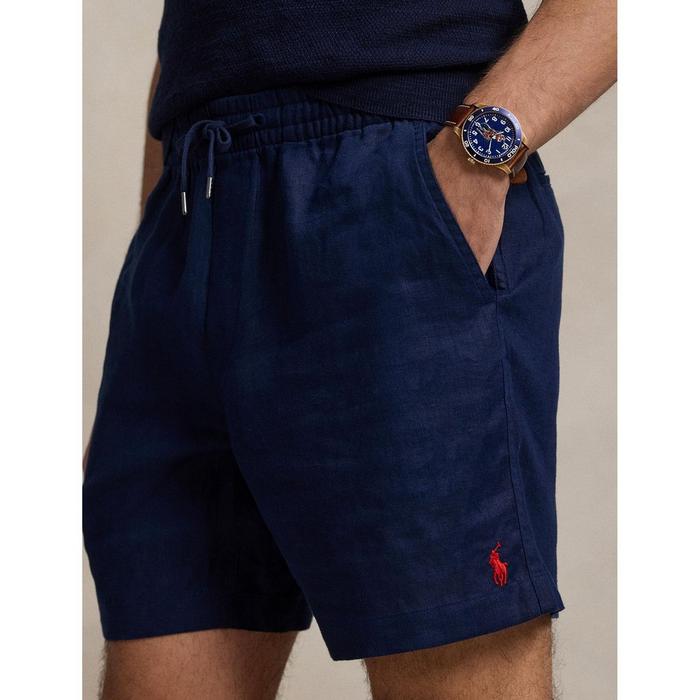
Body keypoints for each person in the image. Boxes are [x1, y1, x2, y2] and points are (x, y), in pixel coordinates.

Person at [83, 0, 616, 697]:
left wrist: (480, 147)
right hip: (189, 210)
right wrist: (156, 265)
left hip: (386, 187)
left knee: (454, 658)